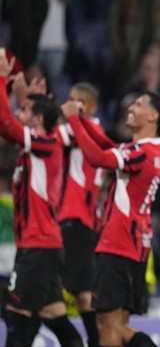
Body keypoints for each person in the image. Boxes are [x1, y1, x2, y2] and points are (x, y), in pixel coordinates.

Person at [61, 87, 160, 347]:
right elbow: (108, 145)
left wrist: (73, 120)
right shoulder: (150, 151)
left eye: (138, 104)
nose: (131, 108)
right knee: (116, 325)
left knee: (109, 325)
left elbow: (98, 157)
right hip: (131, 244)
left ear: (153, 116)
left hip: (118, 244)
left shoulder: (142, 152)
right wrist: (85, 122)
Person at [0, 52, 83, 347]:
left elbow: (5, 123)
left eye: (25, 112)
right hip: (37, 246)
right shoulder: (39, 144)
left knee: (16, 320)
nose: (19, 114)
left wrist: (1, 80)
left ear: (36, 120)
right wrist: (24, 94)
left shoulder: (45, 143)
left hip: (39, 247)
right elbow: (21, 118)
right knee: (56, 319)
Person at [56, 82, 104, 347]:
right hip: (78, 222)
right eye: (70, 98)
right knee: (82, 292)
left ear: (93, 107)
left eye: (80, 101)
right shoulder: (87, 130)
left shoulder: (84, 130)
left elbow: (47, 135)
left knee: (60, 289)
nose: (72, 104)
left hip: (75, 221)